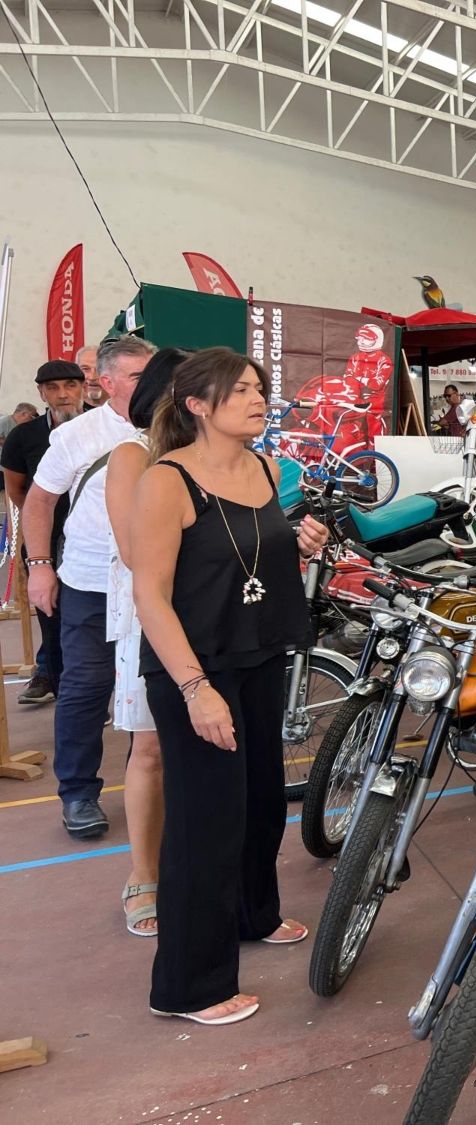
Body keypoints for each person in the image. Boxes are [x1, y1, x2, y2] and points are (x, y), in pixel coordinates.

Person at [133, 346, 328, 1026]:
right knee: (204, 823)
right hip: (195, 668)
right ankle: (190, 983)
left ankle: (255, 913)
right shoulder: (166, 481)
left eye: (259, 387)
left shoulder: (265, 469)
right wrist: (193, 688)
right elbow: (150, 596)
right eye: (241, 389)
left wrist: (299, 547)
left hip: (258, 656)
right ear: (196, 405)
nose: (258, 398)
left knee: (260, 802)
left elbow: (255, 553)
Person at [24, 338, 153, 839]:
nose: (155, 384)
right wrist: (40, 566)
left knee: (164, 686)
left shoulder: (179, 427)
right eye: (141, 376)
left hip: (160, 583)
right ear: (108, 382)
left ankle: (162, 783)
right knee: (85, 686)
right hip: (91, 582)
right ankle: (78, 793)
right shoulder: (78, 435)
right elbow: (38, 503)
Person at [105, 349, 187, 936]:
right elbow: (137, 555)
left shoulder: (213, 455)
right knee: (151, 749)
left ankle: (196, 868)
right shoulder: (132, 455)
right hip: (152, 614)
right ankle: (143, 875)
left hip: (212, 617)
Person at [2, 363, 85, 705]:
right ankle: (58, 682)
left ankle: (95, 689)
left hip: (101, 537)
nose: (63, 394)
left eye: (69, 385)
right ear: (41, 393)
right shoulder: (25, 436)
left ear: (83, 387)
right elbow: (17, 490)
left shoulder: (106, 424)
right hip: (48, 540)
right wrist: (44, 522)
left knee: (95, 615)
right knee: (52, 615)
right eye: (53, 388)